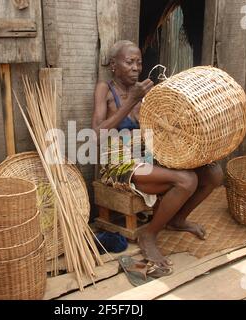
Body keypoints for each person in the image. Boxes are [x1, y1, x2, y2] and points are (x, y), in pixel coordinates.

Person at [92, 40, 224, 273]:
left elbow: (161, 128)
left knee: (214, 173)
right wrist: (131, 100)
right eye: (129, 62)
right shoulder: (106, 89)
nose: (136, 67)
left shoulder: (146, 93)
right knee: (186, 180)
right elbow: (96, 135)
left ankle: (177, 220)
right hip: (118, 162)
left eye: (139, 63)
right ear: (113, 65)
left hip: (148, 155)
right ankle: (149, 234)